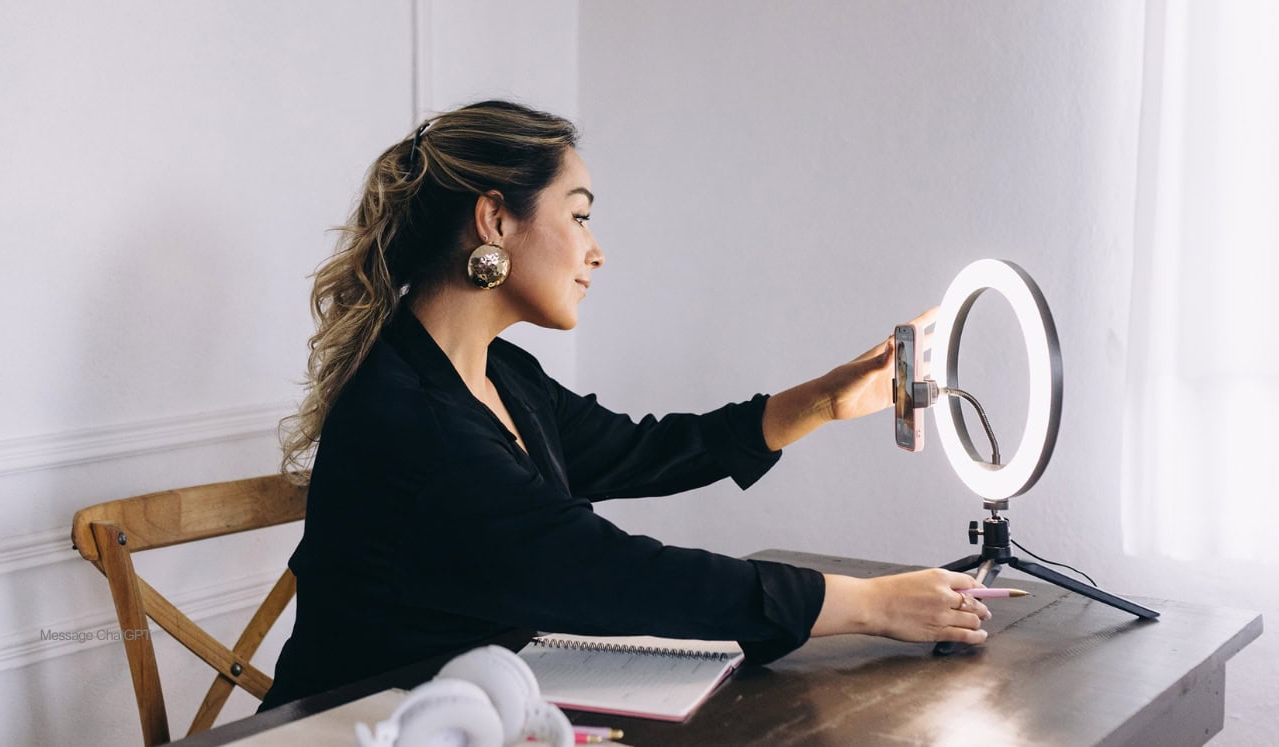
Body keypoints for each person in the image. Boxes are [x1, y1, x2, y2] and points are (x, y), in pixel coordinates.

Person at [260, 100, 990, 710]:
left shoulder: (502, 376)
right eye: (578, 217)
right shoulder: (413, 424)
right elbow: (612, 572)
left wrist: (826, 399)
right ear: (495, 220)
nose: (595, 249)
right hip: (357, 726)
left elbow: (650, 450)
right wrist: (873, 605)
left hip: (464, 709)